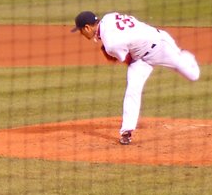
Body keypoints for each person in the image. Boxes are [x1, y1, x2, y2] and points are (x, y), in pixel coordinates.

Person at [71, 10, 201, 145]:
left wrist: (111, 54)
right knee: (132, 89)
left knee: (193, 75)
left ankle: (184, 55)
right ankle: (126, 131)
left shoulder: (111, 44)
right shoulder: (109, 17)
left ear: (87, 27)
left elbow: (126, 59)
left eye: (81, 30)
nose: (81, 34)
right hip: (140, 58)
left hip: (161, 47)